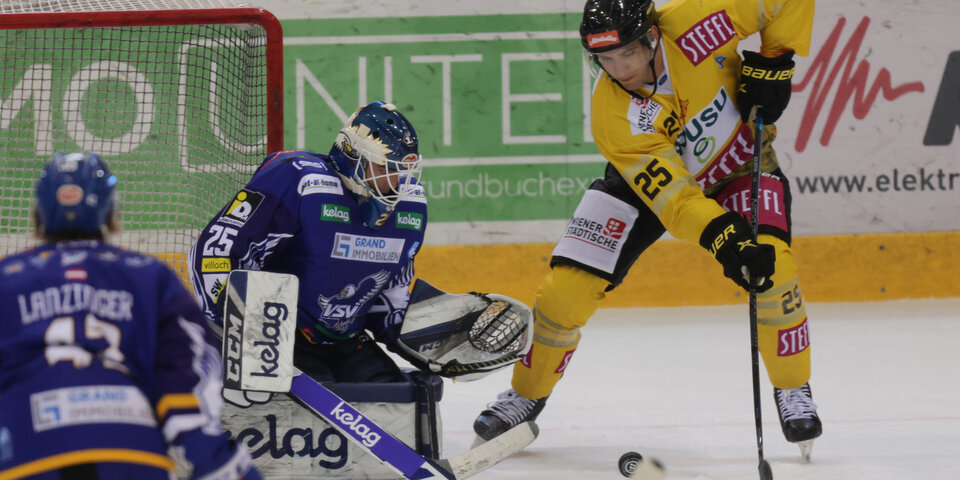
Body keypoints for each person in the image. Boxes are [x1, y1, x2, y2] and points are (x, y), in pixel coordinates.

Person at [474, 0, 822, 452]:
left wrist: (777, 59)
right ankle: (525, 394)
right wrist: (723, 238)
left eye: (628, 55)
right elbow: (676, 202)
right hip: (645, 186)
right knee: (565, 289)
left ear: (652, 37)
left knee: (773, 269)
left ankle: (793, 387)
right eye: (605, 59)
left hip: (737, 166)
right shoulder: (612, 115)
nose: (619, 70)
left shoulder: (697, 22)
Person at [0, 153, 262, 480]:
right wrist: (217, 459)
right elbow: (192, 374)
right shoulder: (149, 276)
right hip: (130, 452)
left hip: (27, 454)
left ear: (37, 214)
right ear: (112, 213)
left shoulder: (6, 279)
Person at [189, 101, 429, 385]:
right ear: (352, 156)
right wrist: (245, 333)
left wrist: (431, 345)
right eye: (384, 167)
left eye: (400, 170)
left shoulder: (411, 204)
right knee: (309, 412)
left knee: (397, 403)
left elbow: (389, 297)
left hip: (347, 341)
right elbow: (214, 252)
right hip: (276, 336)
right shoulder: (300, 180)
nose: (394, 181)